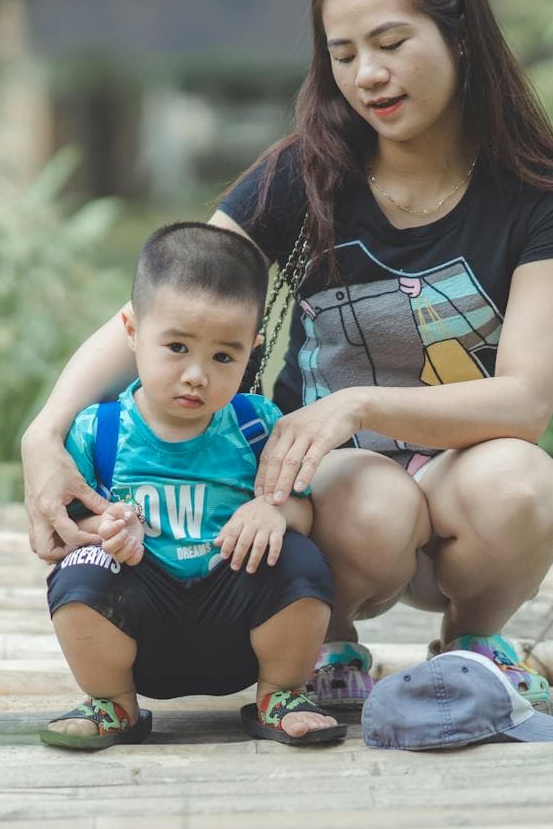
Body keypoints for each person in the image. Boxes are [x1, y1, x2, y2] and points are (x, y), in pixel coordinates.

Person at [22, 0, 553, 715]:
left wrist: (354, 402)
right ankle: (325, 640)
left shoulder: (547, 199)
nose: (368, 75)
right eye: (344, 53)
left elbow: (525, 402)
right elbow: (157, 312)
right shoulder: (305, 175)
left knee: (526, 482)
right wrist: (43, 433)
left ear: (459, 34)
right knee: (374, 496)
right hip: (321, 499)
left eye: (392, 44)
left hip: (463, 472)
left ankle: (473, 641)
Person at [40, 221, 345, 750]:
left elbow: (303, 509)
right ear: (132, 331)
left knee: (300, 560)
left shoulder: (257, 426)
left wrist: (273, 512)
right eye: (177, 347)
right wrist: (102, 527)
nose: (197, 375)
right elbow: (65, 529)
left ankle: (281, 694)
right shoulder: (100, 430)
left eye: (224, 356)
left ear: (252, 350)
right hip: (139, 624)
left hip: (235, 621)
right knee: (80, 572)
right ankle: (111, 703)